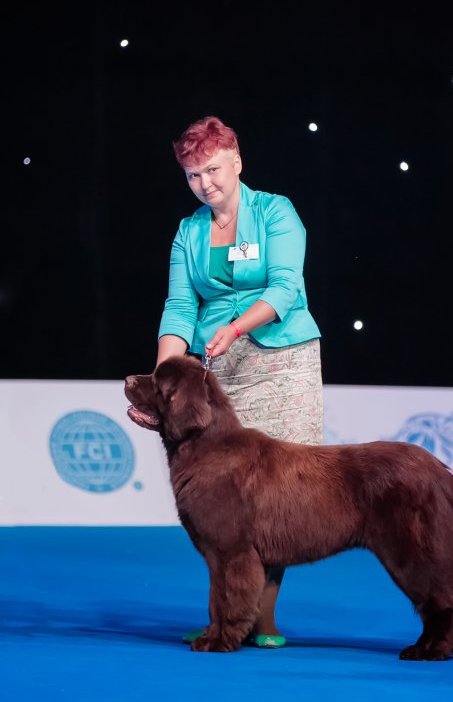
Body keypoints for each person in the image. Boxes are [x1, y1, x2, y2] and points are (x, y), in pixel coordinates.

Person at [156, 115, 323, 648]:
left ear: (236, 161)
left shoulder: (275, 211)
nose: (205, 184)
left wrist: (234, 327)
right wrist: (165, 372)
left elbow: (285, 289)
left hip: (280, 360)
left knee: (275, 494)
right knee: (222, 501)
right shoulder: (188, 232)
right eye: (192, 176)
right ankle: (226, 612)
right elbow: (180, 307)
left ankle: (262, 617)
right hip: (218, 371)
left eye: (212, 169)